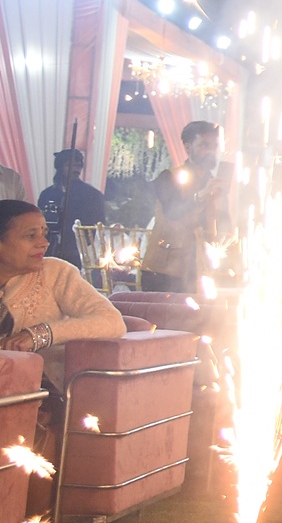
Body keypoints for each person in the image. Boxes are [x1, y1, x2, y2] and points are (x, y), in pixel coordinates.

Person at [0, 200, 128, 456]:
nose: (43, 243)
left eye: (44, 233)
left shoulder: (55, 273)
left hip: (42, 394)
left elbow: (112, 321)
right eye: (30, 235)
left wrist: (39, 335)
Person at [141, 121, 227, 293]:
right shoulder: (169, 177)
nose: (211, 151)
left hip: (202, 270)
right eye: (204, 145)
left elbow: (223, 224)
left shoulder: (216, 183)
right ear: (188, 148)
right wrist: (200, 196)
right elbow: (173, 213)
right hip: (165, 271)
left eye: (214, 146)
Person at [37, 149, 106, 269]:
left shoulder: (92, 195)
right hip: (48, 250)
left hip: (77, 252)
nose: (76, 169)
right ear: (60, 167)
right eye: (70, 165)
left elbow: (98, 225)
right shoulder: (47, 194)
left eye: (78, 166)